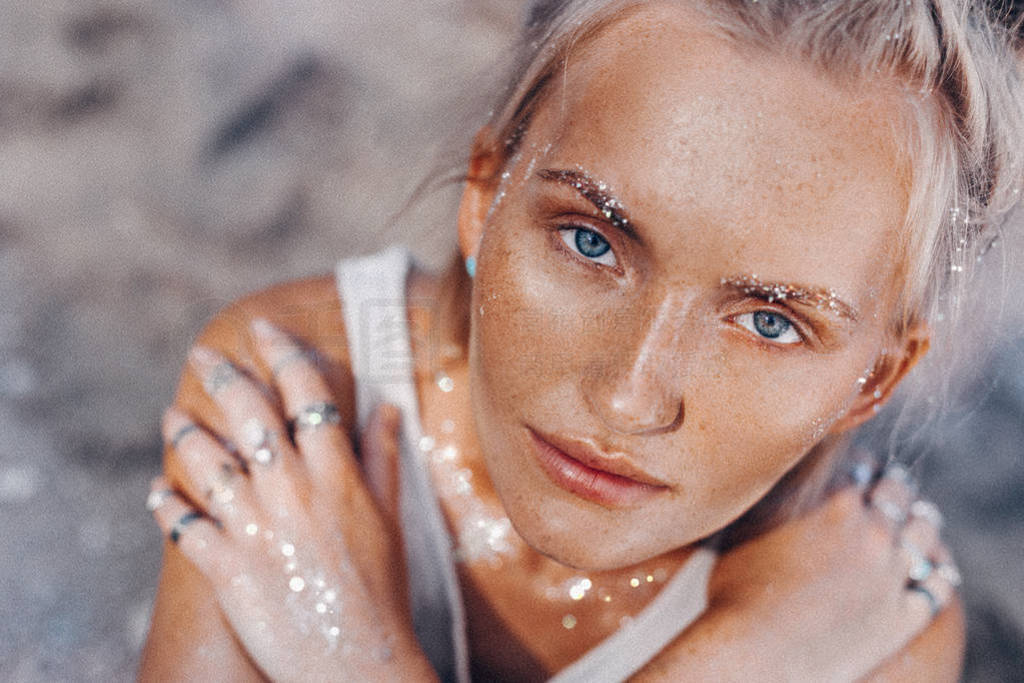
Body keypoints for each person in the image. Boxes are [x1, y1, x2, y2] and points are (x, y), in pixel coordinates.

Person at [139, 0, 1024, 680]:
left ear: (876, 378)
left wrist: (359, 658)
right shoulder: (292, 397)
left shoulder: (869, 616)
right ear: (486, 197)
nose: (628, 396)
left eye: (769, 321)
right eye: (592, 241)